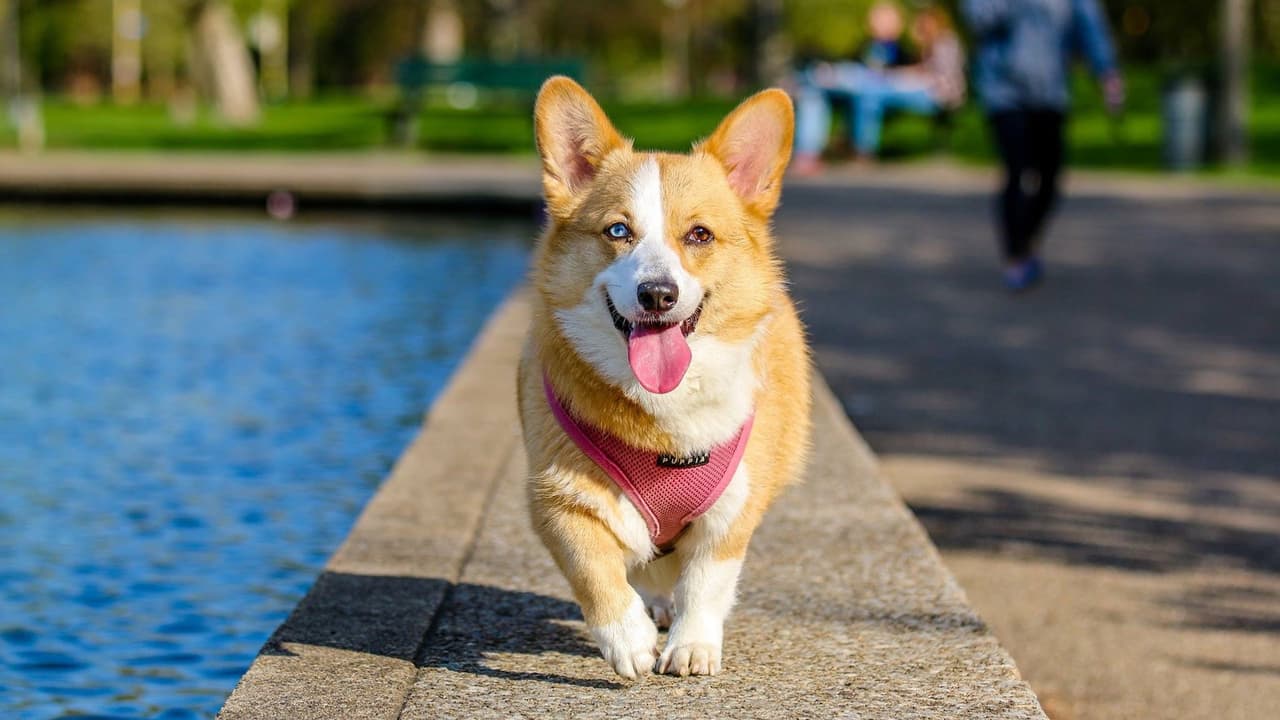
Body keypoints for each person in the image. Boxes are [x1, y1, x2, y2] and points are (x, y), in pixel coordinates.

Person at [962, 0, 1125, 291]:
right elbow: (978, 19)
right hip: (1004, 90)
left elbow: (1089, 24)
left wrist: (1106, 72)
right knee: (1016, 169)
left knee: (1051, 177)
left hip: (1051, 90)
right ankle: (1016, 256)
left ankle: (1027, 239)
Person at [793, 3, 965, 173]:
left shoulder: (935, 44)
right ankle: (810, 153)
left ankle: (858, 150)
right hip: (866, 86)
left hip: (935, 95)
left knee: (868, 92)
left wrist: (900, 75)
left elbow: (936, 78)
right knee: (815, 91)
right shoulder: (868, 45)